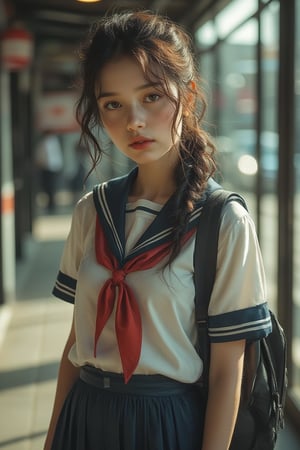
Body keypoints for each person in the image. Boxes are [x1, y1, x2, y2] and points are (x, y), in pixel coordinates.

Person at [44, 10, 272, 450]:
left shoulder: (223, 219)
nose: (133, 121)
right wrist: (54, 438)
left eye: (151, 97)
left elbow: (229, 371)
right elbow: (76, 342)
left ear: (187, 96)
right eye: (112, 104)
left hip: (166, 423)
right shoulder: (93, 211)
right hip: (85, 414)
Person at [35, 130, 63, 213]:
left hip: (49, 167)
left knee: (50, 187)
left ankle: (51, 205)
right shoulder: (53, 142)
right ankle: (51, 204)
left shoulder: (46, 142)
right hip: (51, 167)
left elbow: (41, 156)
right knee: (50, 187)